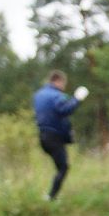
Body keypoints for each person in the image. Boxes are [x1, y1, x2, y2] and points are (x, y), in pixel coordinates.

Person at [32, 71, 88, 201]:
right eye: (64, 84)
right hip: (54, 137)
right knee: (63, 167)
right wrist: (77, 99)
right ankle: (51, 197)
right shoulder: (56, 95)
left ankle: (51, 196)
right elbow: (64, 110)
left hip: (43, 136)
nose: (64, 87)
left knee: (60, 166)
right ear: (58, 81)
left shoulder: (38, 95)